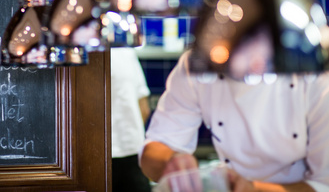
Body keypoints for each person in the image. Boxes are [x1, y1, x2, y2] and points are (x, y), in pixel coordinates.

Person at [139, 50, 329, 191]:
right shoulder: (199, 63)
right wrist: (172, 162)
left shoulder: (318, 71)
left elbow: (323, 184)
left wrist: (252, 189)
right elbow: (155, 150)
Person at [111, 47, 152, 192]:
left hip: (91, 155)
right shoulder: (127, 52)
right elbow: (144, 108)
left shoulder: (78, 52)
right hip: (132, 149)